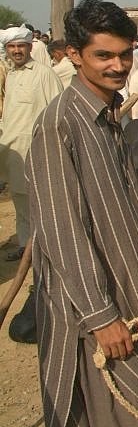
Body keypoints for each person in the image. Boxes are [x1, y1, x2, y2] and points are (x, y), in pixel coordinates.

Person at [27, 0, 138, 427]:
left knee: (135, 407)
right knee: (112, 413)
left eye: (124, 54)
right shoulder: (60, 124)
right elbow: (62, 232)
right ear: (74, 55)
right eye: (104, 55)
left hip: (128, 285)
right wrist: (101, 316)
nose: (117, 65)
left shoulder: (108, 117)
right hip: (92, 305)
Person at [0, 27, 63, 262]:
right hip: (12, 151)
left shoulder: (44, 74)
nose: (16, 51)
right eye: (12, 47)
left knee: (42, 204)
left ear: (29, 47)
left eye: (21, 46)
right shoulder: (12, 74)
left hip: (36, 151)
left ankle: (45, 250)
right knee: (20, 202)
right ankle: (26, 247)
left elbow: (58, 112)